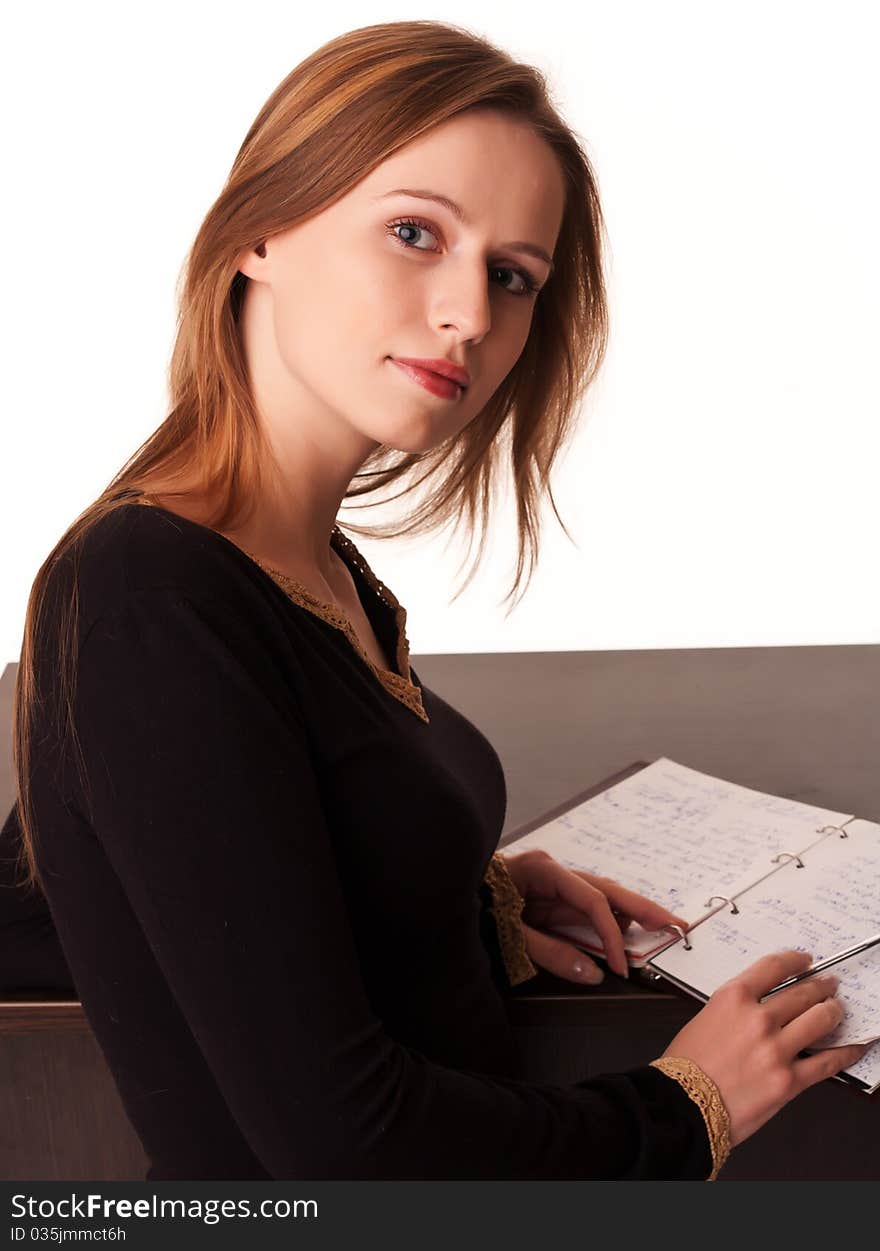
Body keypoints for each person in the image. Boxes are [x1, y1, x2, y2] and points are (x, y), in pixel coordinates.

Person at [7, 19, 866, 1182]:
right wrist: (686, 1108)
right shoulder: (148, 602)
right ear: (261, 229)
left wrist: (463, 900)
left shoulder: (307, 564)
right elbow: (337, 1147)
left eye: (511, 276)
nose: (468, 314)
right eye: (414, 233)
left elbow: (189, 880)